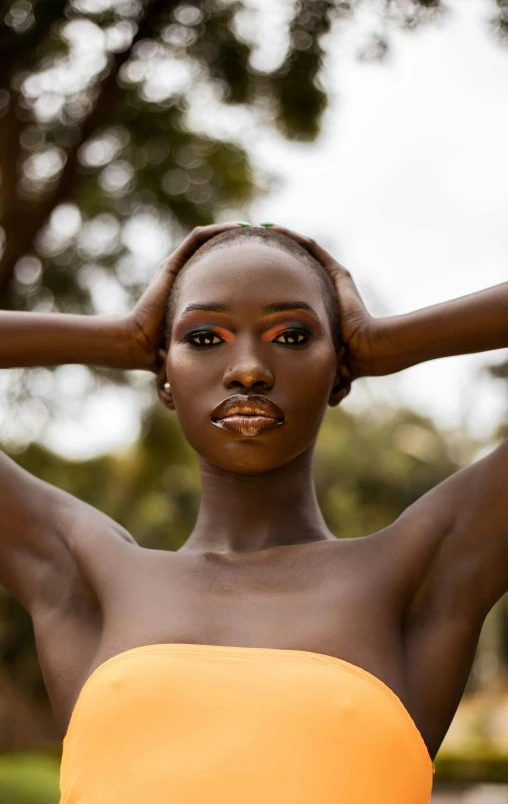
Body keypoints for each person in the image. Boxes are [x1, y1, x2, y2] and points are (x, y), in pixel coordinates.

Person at [0, 220, 507, 803]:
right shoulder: (87, 576)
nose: (247, 369)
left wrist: (386, 342)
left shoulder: (419, 573)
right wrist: (121, 338)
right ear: (165, 374)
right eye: (205, 338)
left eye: (290, 336)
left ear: (338, 370)